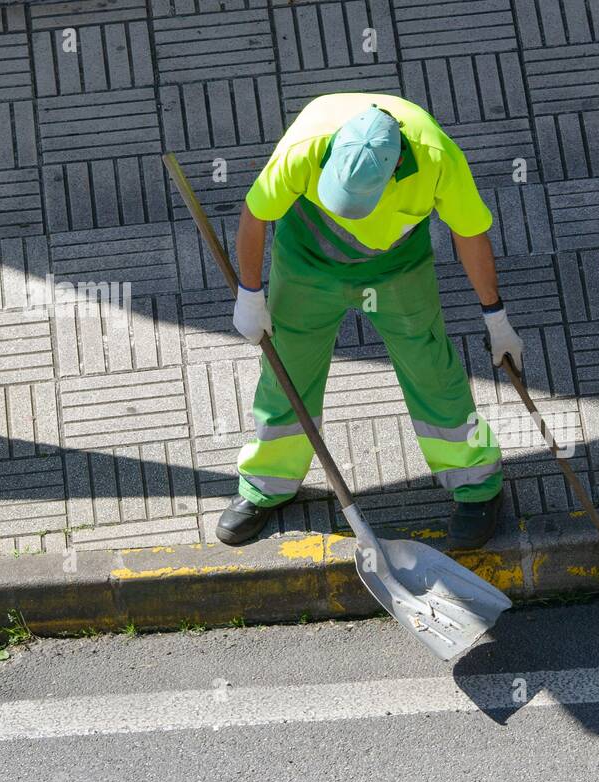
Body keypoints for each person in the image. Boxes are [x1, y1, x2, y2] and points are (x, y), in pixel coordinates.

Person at [217, 93, 522, 550]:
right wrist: (250, 293)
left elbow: (469, 232)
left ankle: (477, 483)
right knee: (286, 372)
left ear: (396, 164)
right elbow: (256, 214)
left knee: (431, 370)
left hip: (396, 271)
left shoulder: (437, 155)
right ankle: (268, 482)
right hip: (307, 266)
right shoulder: (307, 142)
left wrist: (495, 315)